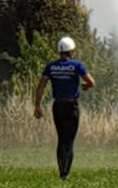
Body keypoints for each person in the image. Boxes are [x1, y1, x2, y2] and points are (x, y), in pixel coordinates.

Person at [33, 36, 95, 180]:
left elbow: (41, 86)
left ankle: (62, 171)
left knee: (61, 139)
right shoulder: (76, 65)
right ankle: (65, 173)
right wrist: (85, 86)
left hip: (58, 105)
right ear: (71, 51)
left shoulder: (51, 67)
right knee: (70, 140)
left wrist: (37, 106)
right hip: (71, 105)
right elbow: (91, 82)